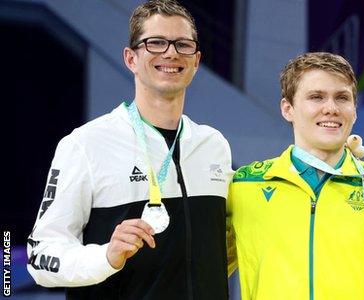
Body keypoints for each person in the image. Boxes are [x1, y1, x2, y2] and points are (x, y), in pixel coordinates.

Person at [27, 1, 233, 298]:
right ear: (131, 58)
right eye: (156, 43)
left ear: (196, 60)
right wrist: (106, 257)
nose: (171, 52)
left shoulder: (213, 146)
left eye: (183, 45)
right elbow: (39, 257)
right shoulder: (85, 145)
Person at [227, 52, 364, 299]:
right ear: (287, 109)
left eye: (342, 98)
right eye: (316, 97)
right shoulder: (245, 186)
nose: (331, 109)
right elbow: (203, 272)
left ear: (354, 110)